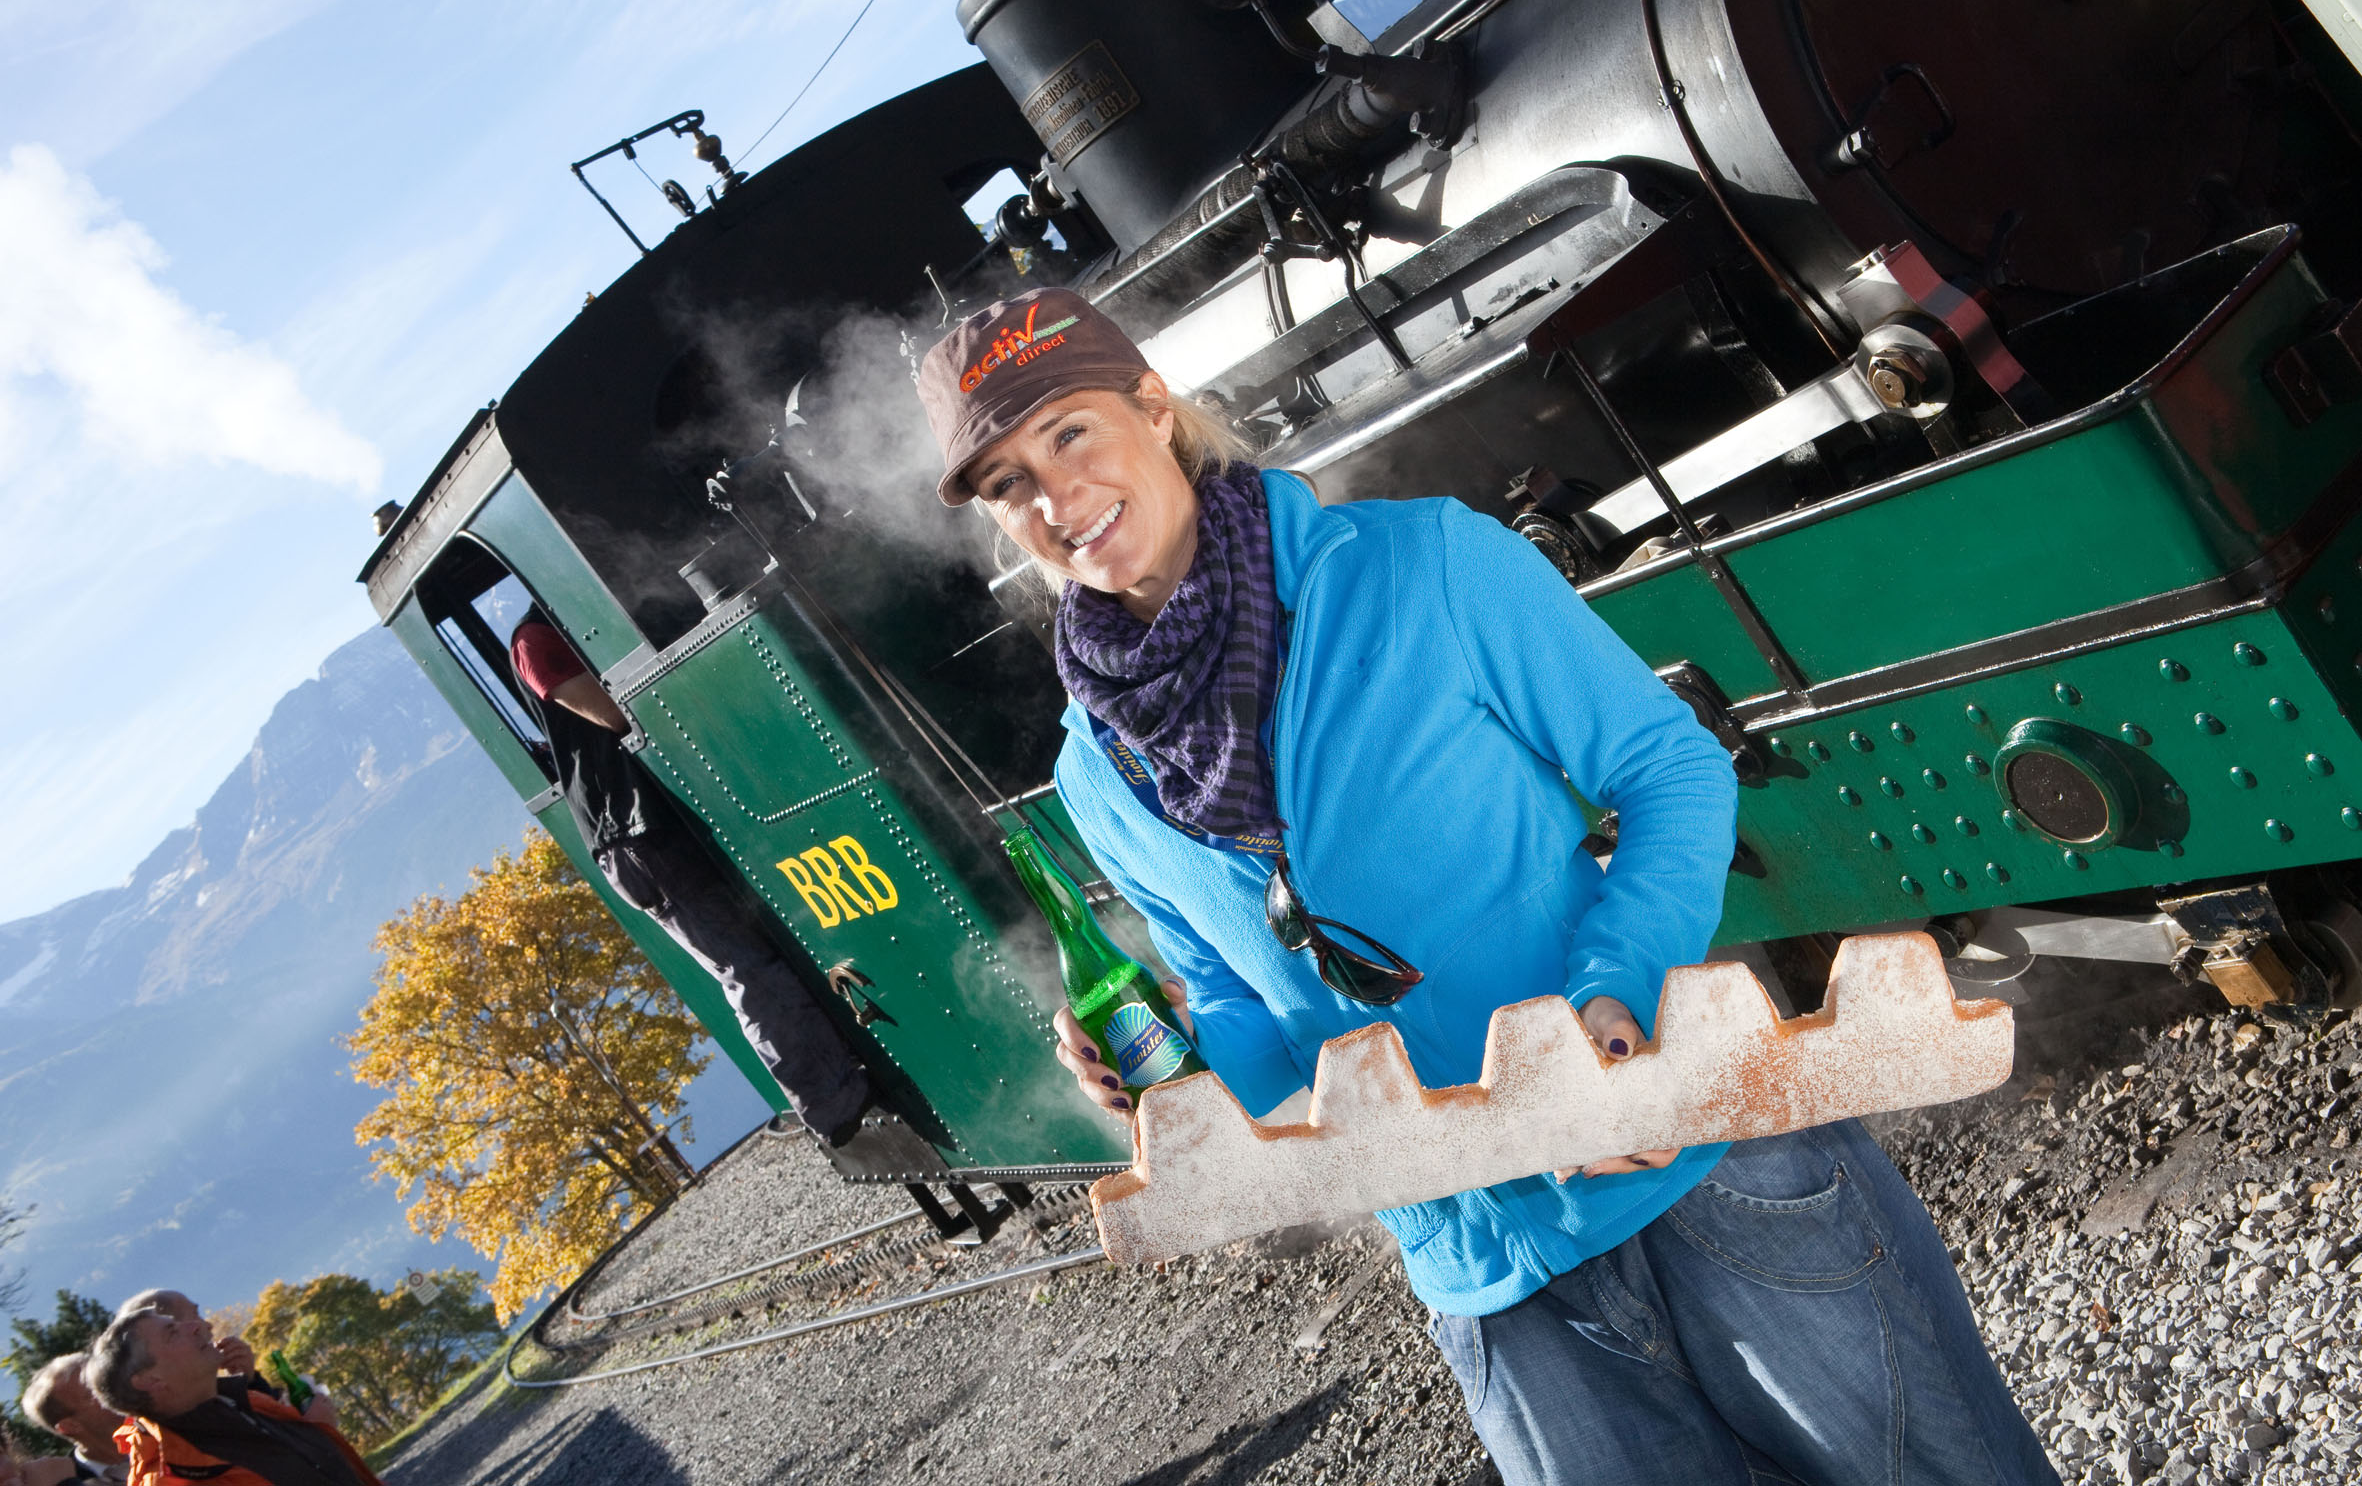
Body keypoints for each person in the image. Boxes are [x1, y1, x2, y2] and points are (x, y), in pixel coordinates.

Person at [919, 286, 2060, 1486]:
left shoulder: (1425, 564)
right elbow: (1238, 1006)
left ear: (1154, 408)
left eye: (1069, 432)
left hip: (1694, 1161)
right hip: (1491, 1280)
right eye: (1005, 483)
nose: (1054, 499)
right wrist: (1166, 1096)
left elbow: (1666, 767)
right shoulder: (1092, 774)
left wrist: (1615, 989)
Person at [508, 611, 869, 1143]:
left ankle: (843, 1075)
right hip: (632, 833)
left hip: (653, 822)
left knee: (759, 954)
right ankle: (833, 1107)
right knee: (745, 968)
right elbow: (614, 715)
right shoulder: (533, 640)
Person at [82, 1313, 378, 1486]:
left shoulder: (247, 1402)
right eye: (172, 1332)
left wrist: (316, 1434)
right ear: (151, 1381)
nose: (198, 1325)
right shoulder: (173, 1479)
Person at [112, 1291, 333, 1427]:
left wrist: (250, 1381)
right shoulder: (194, 1441)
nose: (206, 1325)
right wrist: (320, 1431)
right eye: (194, 1317)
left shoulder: (223, 1400)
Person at [18, 1354, 123, 1481]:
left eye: (107, 1379)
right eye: (93, 1392)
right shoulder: (71, 1480)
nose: (112, 1390)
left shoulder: (151, 1426)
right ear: (70, 1426)